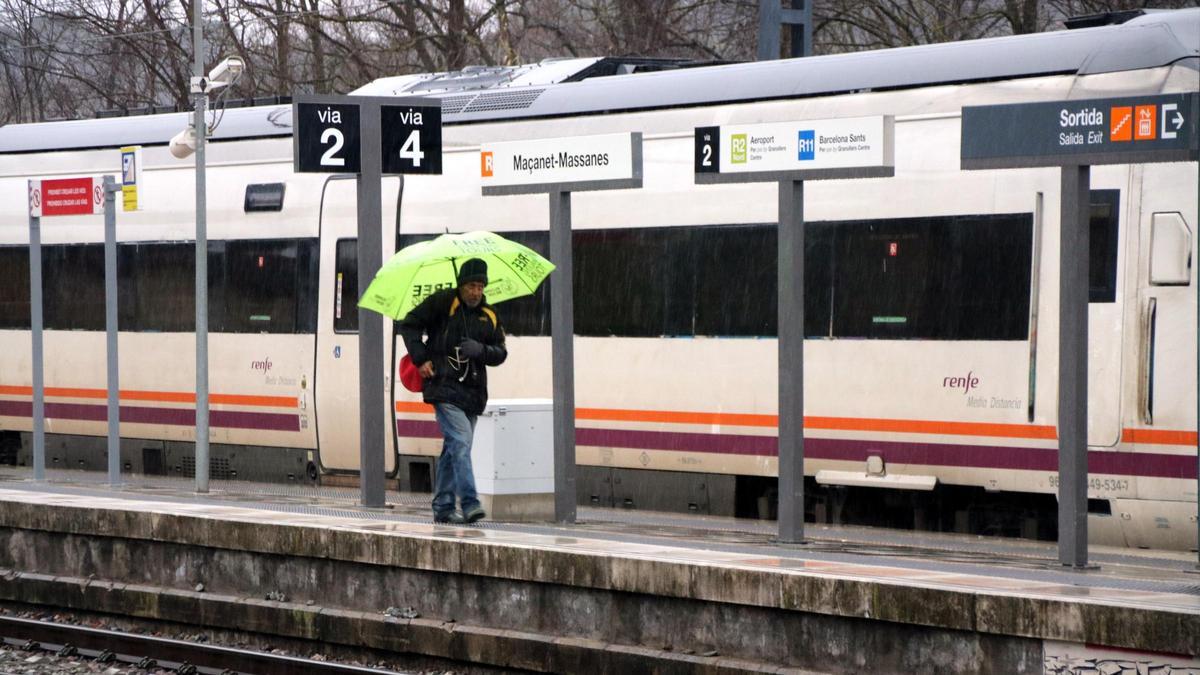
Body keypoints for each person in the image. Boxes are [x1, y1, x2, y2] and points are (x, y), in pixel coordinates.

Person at [398, 258, 507, 524]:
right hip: (443, 386)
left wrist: (480, 350)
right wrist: (421, 357)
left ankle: (444, 506)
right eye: (471, 285)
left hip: (473, 393)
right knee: (460, 442)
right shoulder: (442, 303)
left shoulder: (489, 315)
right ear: (461, 285)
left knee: (453, 447)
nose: (476, 292)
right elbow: (409, 324)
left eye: (480, 286)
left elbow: (501, 352)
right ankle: (470, 502)